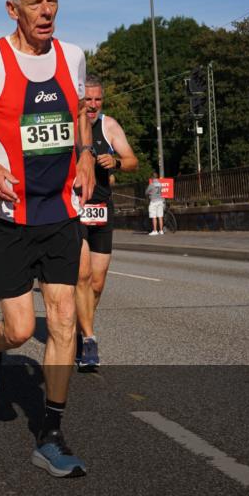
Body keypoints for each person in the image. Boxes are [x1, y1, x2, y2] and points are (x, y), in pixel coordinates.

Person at [0, 0, 96, 478]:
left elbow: (80, 110)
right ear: (13, 8)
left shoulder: (72, 56)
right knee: (19, 328)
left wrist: (83, 153)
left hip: (59, 211)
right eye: (35, 3)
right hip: (7, 216)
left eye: (52, 1)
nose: (46, 11)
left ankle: (51, 434)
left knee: (62, 320)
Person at [74, 76, 139, 371]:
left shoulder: (109, 126)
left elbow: (132, 159)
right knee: (83, 275)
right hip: (75, 210)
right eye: (88, 99)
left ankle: (80, 327)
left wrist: (116, 162)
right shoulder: (71, 127)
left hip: (101, 208)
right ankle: (88, 339)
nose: (93, 104)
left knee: (97, 284)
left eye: (98, 99)